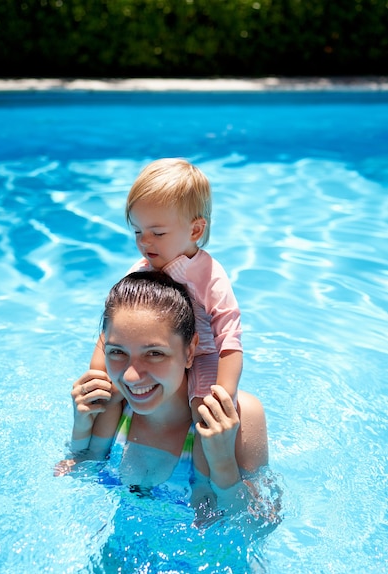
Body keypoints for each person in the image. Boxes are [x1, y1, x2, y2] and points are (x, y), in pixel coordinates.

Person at [57, 272, 269, 517]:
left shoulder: (238, 415)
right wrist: (80, 426)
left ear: (190, 351)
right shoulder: (113, 405)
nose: (131, 377)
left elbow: (256, 527)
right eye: (117, 352)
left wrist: (222, 462)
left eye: (154, 353)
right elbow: (79, 473)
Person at [89, 158, 243, 481]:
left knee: (205, 414)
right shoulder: (140, 271)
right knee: (111, 394)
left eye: (157, 232)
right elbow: (110, 330)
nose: (145, 243)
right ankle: (92, 459)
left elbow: (229, 338)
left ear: (196, 230)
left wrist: (224, 396)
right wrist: (98, 375)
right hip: (162, 353)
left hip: (202, 355)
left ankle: (202, 483)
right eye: (138, 232)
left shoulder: (210, 276)